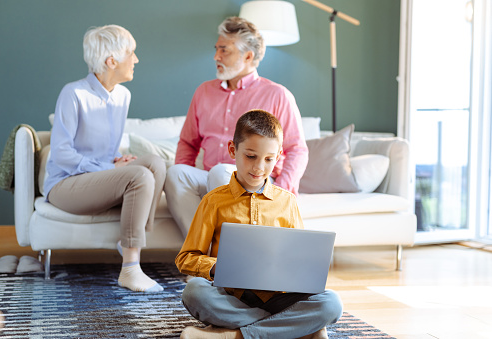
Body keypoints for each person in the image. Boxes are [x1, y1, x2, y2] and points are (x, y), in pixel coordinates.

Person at [175, 110, 342, 339]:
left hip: (276, 297)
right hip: (231, 296)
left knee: (331, 303)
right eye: (251, 156)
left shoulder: (287, 202)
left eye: (268, 159)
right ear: (233, 150)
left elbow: (300, 263)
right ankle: (295, 330)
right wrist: (215, 267)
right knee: (194, 292)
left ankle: (232, 335)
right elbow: (186, 258)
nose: (259, 168)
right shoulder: (213, 202)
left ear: (278, 156)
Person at [44, 25, 166, 293]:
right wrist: (109, 167)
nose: (136, 60)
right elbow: (62, 154)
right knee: (140, 175)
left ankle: (129, 242)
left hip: (97, 178)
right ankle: (130, 270)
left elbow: (104, 150)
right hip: (66, 185)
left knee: (155, 164)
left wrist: (119, 159)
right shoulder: (74, 94)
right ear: (111, 61)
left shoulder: (123, 96)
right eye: (131, 53)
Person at [165, 16, 309, 237]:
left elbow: (297, 149)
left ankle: (229, 258)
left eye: (225, 51)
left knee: (222, 171)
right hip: (211, 178)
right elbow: (187, 142)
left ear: (248, 56)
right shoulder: (203, 91)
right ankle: (204, 254)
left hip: (255, 180)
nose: (216, 57)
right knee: (176, 173)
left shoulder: (278, 95)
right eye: (216, 49)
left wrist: (282, 192)